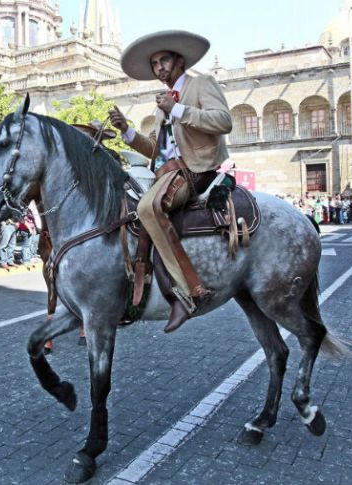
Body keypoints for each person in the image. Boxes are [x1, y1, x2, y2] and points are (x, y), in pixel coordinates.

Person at [108, 30, 232, 333]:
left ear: (179, 60)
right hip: (166, 173)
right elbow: (155, 150)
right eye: (154, 64)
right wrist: (126, 131)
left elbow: (224, 121)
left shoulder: (200, 84)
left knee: (149, 208)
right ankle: (138, 279)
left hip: (198, 170)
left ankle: (189, 291)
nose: (160, 67)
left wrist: (177, 110)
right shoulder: (161, 105)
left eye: (164, 60)